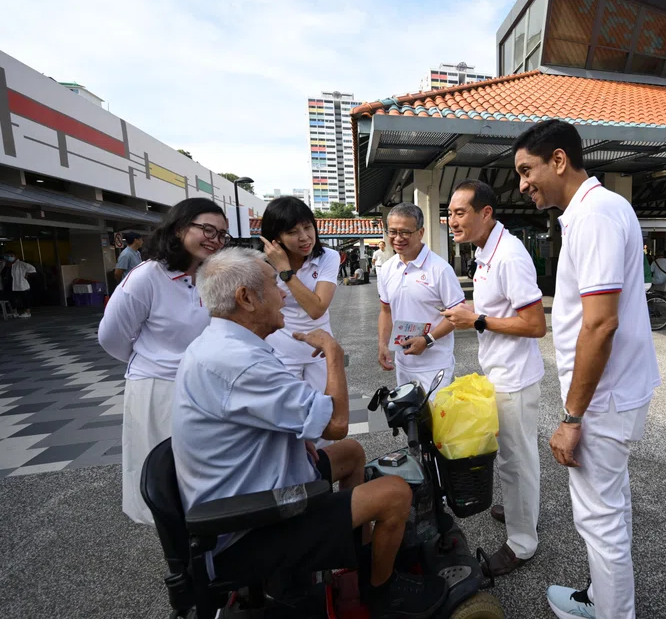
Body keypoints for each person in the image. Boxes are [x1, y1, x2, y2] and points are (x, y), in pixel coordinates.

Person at [172, 247, 447, 617]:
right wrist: (333, 353)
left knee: (351, 454)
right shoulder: (239, 362)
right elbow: (335, 424)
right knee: (395, 494)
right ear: (246, 298)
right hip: (249, 524)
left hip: (250, 485)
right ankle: (381, 591)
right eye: (274, 285)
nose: (285, 293)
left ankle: (354, 553)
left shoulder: (224, 343)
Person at [513, 119, 661, 619]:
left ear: (559, 160)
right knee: (609, 511)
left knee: (599, 519)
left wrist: (571, 418)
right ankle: (600, 597)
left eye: (527, 170)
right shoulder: (600, 208)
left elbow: (599, 325)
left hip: (602, 399)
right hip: (615, 391)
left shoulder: (594, 215)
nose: (523, 184)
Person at [98, 198, 230, 524]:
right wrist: (152, 361)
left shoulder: (213, 276)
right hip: (160, 390)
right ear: (180, 228)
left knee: (207, 475)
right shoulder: (147, 277)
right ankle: (181, 561)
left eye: (222, 234)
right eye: (207, 229)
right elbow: (111, 336)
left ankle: (210, 550)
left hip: (205, 387)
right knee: (168, 478)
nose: (215, 239)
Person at [442, 180, 547, 577]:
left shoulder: (508, 256)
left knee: (516, 460)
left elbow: (536, 324)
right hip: (500, 371)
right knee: (513, 456)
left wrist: (478, 320)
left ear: (486, 213)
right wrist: (470, 312)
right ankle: (523, 510)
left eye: (460, 212)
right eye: (450, 213)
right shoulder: (486, 250)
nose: (452, 221)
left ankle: (522, 543)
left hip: (514, 378)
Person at [259, 197, 340, 406]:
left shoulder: (328, 257)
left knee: (325, 414)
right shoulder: (262, 266)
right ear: (276, 238)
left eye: (307, 227)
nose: (304, 238)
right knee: (289, 417)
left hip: (319, 350)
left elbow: (317, 308)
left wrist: (286, 272)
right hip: (280, 352)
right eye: (292, 232)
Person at [377, 203, 464, 390]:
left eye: (405, 232)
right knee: (408, 418)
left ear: (420, 232)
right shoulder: (386, 269)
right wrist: (382, 344)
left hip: (435, 366)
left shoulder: (440, 269)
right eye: (392, 232)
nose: (398, 238)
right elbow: (385, 310)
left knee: (433, 418)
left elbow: (458, 314)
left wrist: (428, 339)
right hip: (403, 364)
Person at [1, 250, 37, 318]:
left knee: (24, 298)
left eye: (11, 256)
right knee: (12, 298)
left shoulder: (21, 264)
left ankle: (27, 312)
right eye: (7, 256)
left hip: (21, 284)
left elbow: (32, 269)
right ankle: (15, 312)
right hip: (11, 285)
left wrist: (27, 274)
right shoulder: (6, 265)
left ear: (16, 256)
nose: (9, 257)